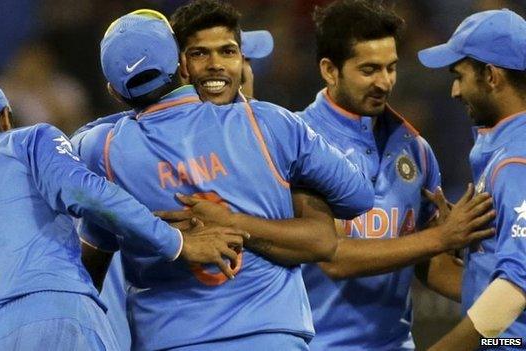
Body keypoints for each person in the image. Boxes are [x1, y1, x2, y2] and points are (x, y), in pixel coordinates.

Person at [162, 1, 495, 349]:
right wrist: (441, 239)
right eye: (369, 70)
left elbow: (428, 263)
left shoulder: (415, 149)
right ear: (329, 70)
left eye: (390, 68)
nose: (384, 82)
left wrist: (507, 295)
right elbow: (335, 258)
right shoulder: (298, 142)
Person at [73, 9, 376, 351]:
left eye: (230, 52)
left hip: (169, 341)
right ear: (184, 67)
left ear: (114, 90)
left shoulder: (102, 151)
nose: (218, 65)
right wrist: (294, 185)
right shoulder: (270, 125)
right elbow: (360, 197)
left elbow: (90, 266)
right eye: (202, 53)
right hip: (272, 337)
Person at [0, 76, 248, 351]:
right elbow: (90, 194)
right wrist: (176, 242)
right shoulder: (26, 142)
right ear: (5, 117)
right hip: (59, 315)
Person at [418, 9, 526, 350]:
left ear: (491, 76)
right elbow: (493, 276)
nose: (454, 90)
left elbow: (515, 287)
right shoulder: (503, 149)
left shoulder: (516, 161)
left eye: (459, 75)